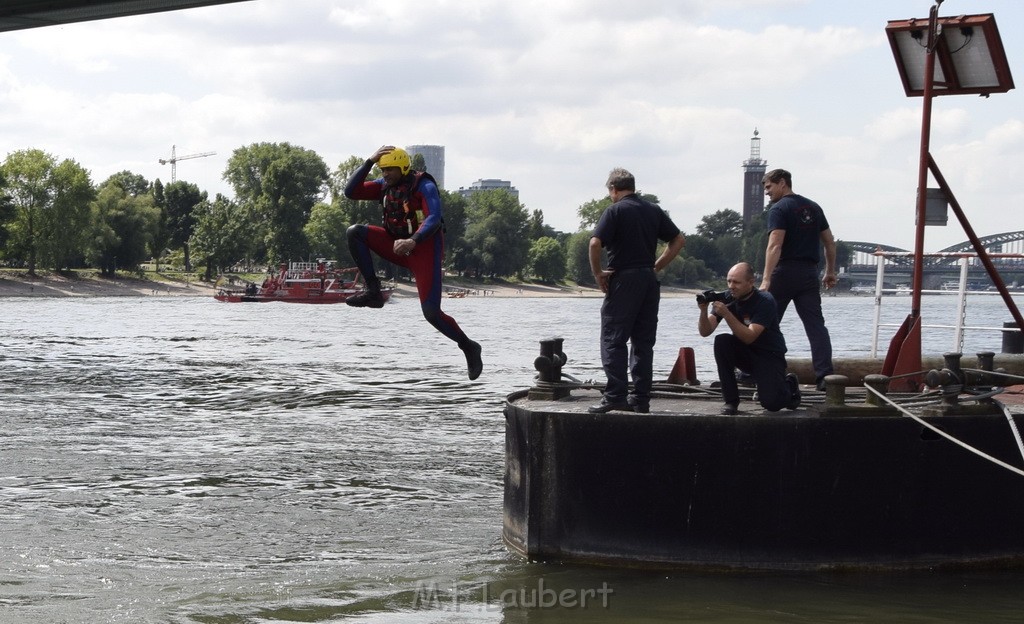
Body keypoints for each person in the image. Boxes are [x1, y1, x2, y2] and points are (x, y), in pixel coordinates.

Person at [344, 145, 483, 380]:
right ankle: (373, 291)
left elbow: (434, 217)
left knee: (431, 313)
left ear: (403, 167)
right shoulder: (383, 186)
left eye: (390, 169)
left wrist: (413, 240)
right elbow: (351, 191)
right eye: (383, 169)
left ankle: (468, 346)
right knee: (354, 232)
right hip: (396, 244)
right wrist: (369, 161)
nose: (385, 174)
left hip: (423, 251)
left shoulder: (424, 185)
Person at [588, 168, 685, 414]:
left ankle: (615, 396)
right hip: (648, 280)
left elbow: (595, 243)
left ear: (613, 189)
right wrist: (657, 266)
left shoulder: (615, 210)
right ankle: (640, 399)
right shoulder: (653, 210)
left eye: (609, 191)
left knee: (613, 338)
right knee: (643, 341)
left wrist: (598, 273)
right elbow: (678, 240)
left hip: (623, 279)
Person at [759, 168, 836, 391]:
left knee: (765, 322)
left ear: (782, 183)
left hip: (783, 273)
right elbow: (830, 242)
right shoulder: (813, 207)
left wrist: (765, 280)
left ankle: (750, 371)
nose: (767, 192)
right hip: (809, 274)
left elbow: (775, 245)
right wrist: (830, 271)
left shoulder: (779, 208)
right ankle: (824, 376)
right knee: (816, 326)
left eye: (769, 187)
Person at [699, 262, 801, 415]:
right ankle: (731, 401)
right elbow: (705, 331)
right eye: (729, 281)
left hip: (769, 355)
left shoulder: (765, 301)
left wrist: (727, 314)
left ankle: (790, 385)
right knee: (722, 341)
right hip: (746, 354)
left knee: (771, 404)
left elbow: (750, 337)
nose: (731, 286)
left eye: (736, 282)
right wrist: (703, 310)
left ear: (751, 282)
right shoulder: (728, 298)